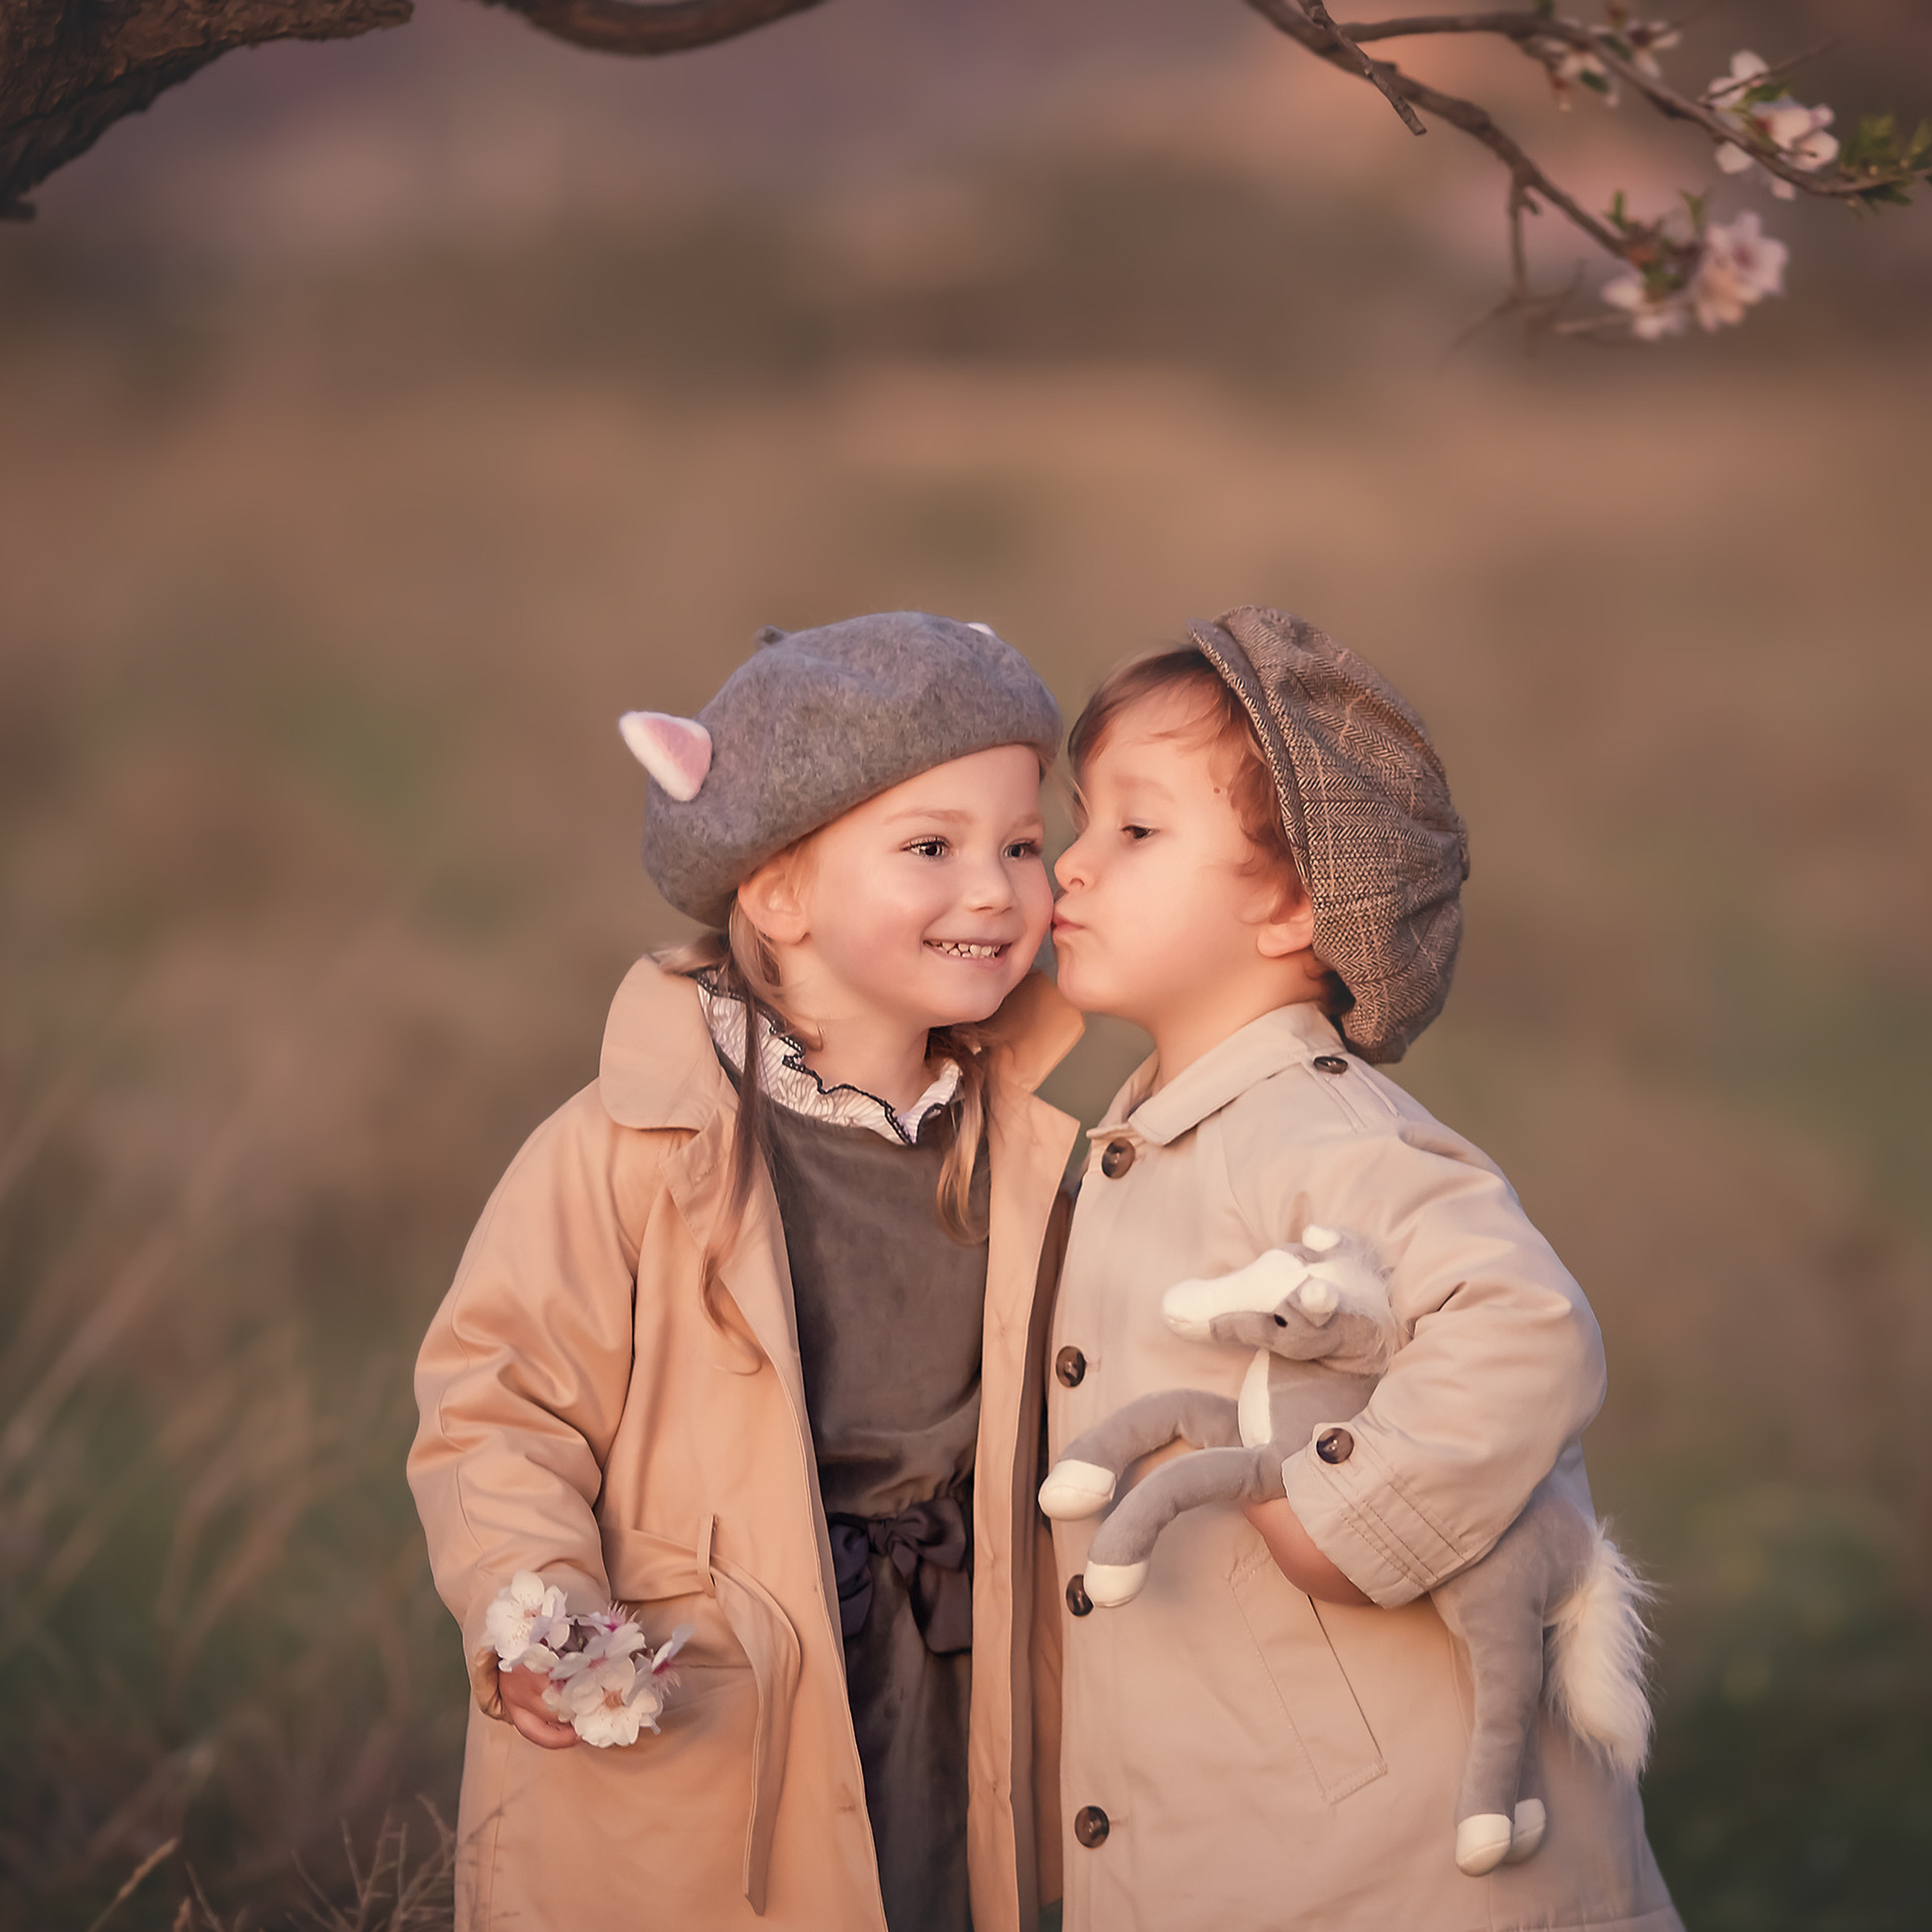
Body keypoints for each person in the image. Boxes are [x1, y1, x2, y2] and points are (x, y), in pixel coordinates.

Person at [408, 612, 1084, 1932]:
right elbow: (498, 1402)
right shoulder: (632, 1147)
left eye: (1021, 844)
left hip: (953, 1689)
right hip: (725, 1701)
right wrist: (532, 1607)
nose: (998, 890)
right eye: (932, 849)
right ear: (777, 892)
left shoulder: (1040, 1148)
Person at [1041, 605, 1680, 1930]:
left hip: (1393, 1871)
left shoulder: (1322, 1133)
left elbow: (1523, 1324)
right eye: (1082, 820)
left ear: (1289, 902)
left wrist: (1356, 1515)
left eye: (1135, 830)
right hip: (1243, 1840)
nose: (1072, 865)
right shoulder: (1149, 1133)